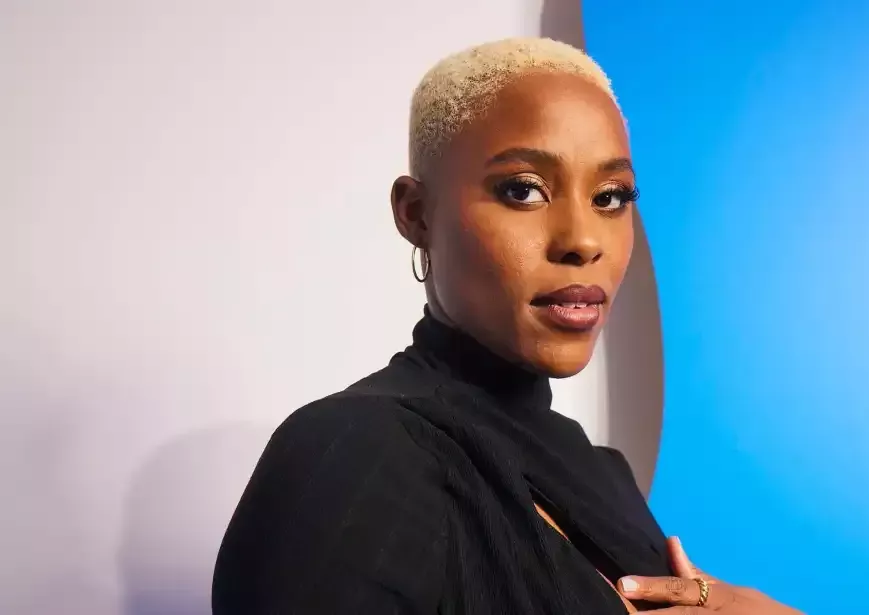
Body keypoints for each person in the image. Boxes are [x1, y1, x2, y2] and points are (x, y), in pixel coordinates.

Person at [212, 38, 801, 614]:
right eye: (523, 190)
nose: (582, 241)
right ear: (416, 213)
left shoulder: (604, 476)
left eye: (612, 196)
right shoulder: (349, 453)